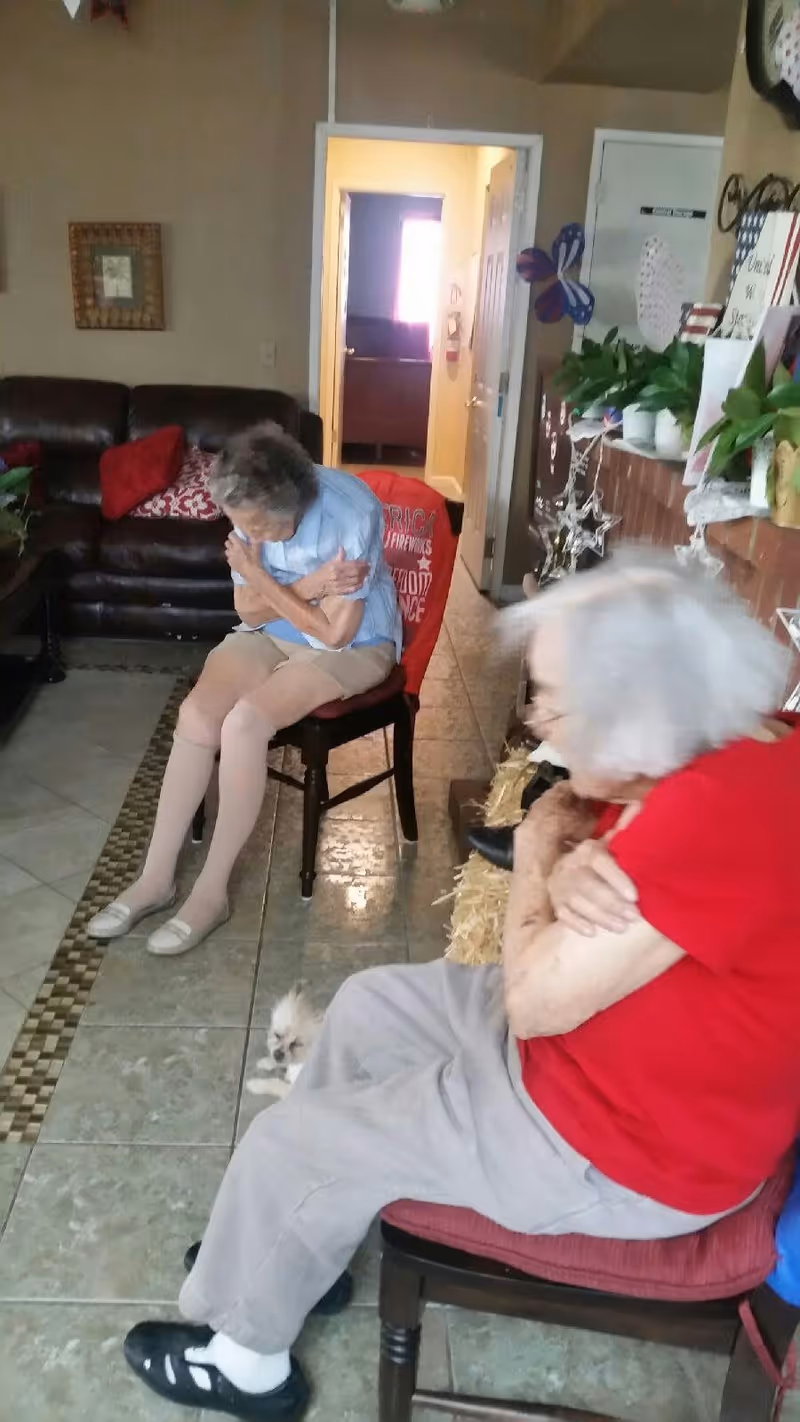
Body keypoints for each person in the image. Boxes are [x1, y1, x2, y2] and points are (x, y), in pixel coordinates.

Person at [123, 551, 800, 1421]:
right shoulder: (754, 731)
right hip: (609, 1059)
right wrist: (577, 832)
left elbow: (532, 999)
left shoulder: (706, 817)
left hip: (618, 1148)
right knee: (366, 1007)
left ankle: (246, 1363)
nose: (536, 716)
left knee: (294, 1141)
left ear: (638, 708)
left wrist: (540, 845)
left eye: (553, 696)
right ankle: (296, 1246)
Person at [88, 424, 402, 955]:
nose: (242, 535)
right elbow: (247, 612)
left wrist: (260, 580)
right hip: (275, 632)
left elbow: (333, 633)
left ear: (289, 507)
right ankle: (155, 878)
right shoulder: (247, 513)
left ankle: (211, 893)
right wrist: (306, 587)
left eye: (253, 526)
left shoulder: (354, 514)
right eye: (237, 525)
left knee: (245, 724)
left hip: (357, 647)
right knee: (196, 716)